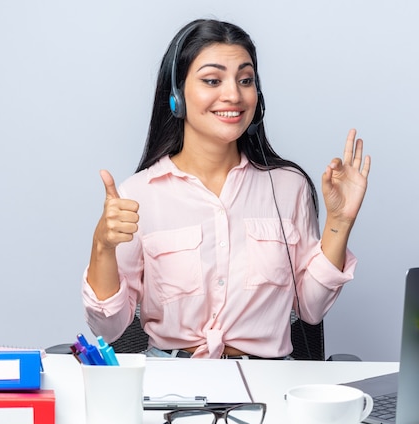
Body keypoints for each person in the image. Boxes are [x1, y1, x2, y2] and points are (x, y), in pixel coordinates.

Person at [82, 18, 371, 359]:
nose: (233, 94)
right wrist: (102, 246)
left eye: (245, 80)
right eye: (212, 80)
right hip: (173, 388)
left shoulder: (288, 187)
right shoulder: (138, 194)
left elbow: (310, 309)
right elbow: (108, 327)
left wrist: (340, 222)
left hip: (268, 383)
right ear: (176, 96)